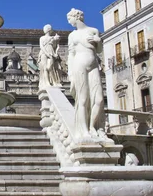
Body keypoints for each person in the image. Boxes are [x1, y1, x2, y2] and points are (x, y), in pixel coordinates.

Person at [67, 8, 105, 141]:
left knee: (99, 99)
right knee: (82, 99)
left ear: (76, 17)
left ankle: (92, 126)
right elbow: (71, 55)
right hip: (79, 65)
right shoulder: (72, 35)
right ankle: (84, 131)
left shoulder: (93, 31)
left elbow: (99, 50)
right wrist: (70, 74)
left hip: (94, 65)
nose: (69, 21)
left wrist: (98, 40)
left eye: (69, 18)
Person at [38, 24, 62, 89]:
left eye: (45, 28)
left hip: (51, 52)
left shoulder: (52, 38)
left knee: (50, 67)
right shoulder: (41, 38)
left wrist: (57, 40)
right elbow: (41, 46)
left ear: (48, 30)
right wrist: (46, 53)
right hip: (43, 53)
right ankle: (47, 82)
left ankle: (54, 82)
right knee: (45, 68)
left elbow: (56, 46)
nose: (44, 30)